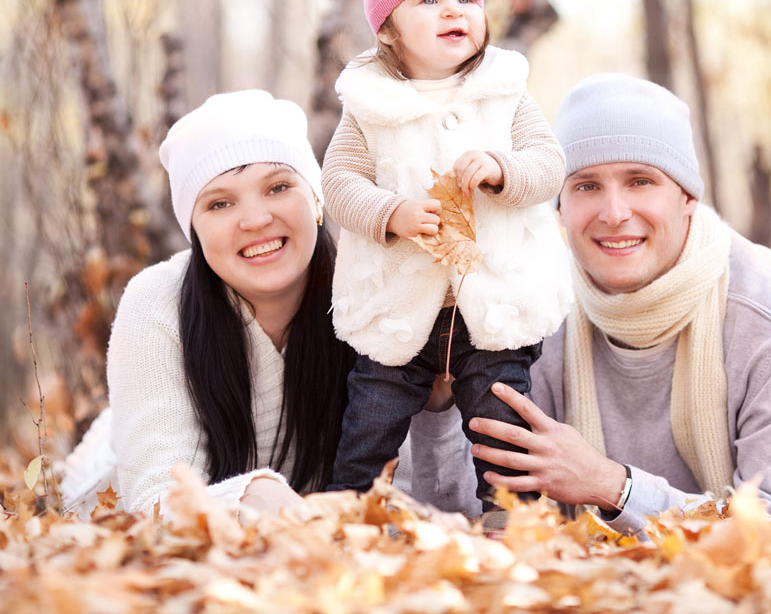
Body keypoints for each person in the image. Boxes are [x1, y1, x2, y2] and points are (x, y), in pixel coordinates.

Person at [467, 73, 771, 552]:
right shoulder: (530, 310)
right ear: (559, 205)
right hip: (653, 538)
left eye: (640, 181)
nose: (613, 212)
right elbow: (473, 510)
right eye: (586, 186)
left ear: (688, 198)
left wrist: (614, 487)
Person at [60, 90, 478, 520]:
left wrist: (436, 414)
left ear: (317, 200)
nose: (255, 219)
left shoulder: (377, 293)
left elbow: (438, 513)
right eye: (220, 203)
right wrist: (256, 496)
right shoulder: (158, 302)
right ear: (195, 231)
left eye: (278, 187)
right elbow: (156, 498)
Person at [321, 0, 572, 508]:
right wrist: (391, 212)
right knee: (371, 421)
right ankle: (351, 512)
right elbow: (339, 184)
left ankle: (513, 518)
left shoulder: (503, 92)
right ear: (387, 27)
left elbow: (548, 164)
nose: (454, 10)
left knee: (501, 418)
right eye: (429, 0)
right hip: (400, 306)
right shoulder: (369, 105)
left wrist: (504, 170)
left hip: (493, 299)